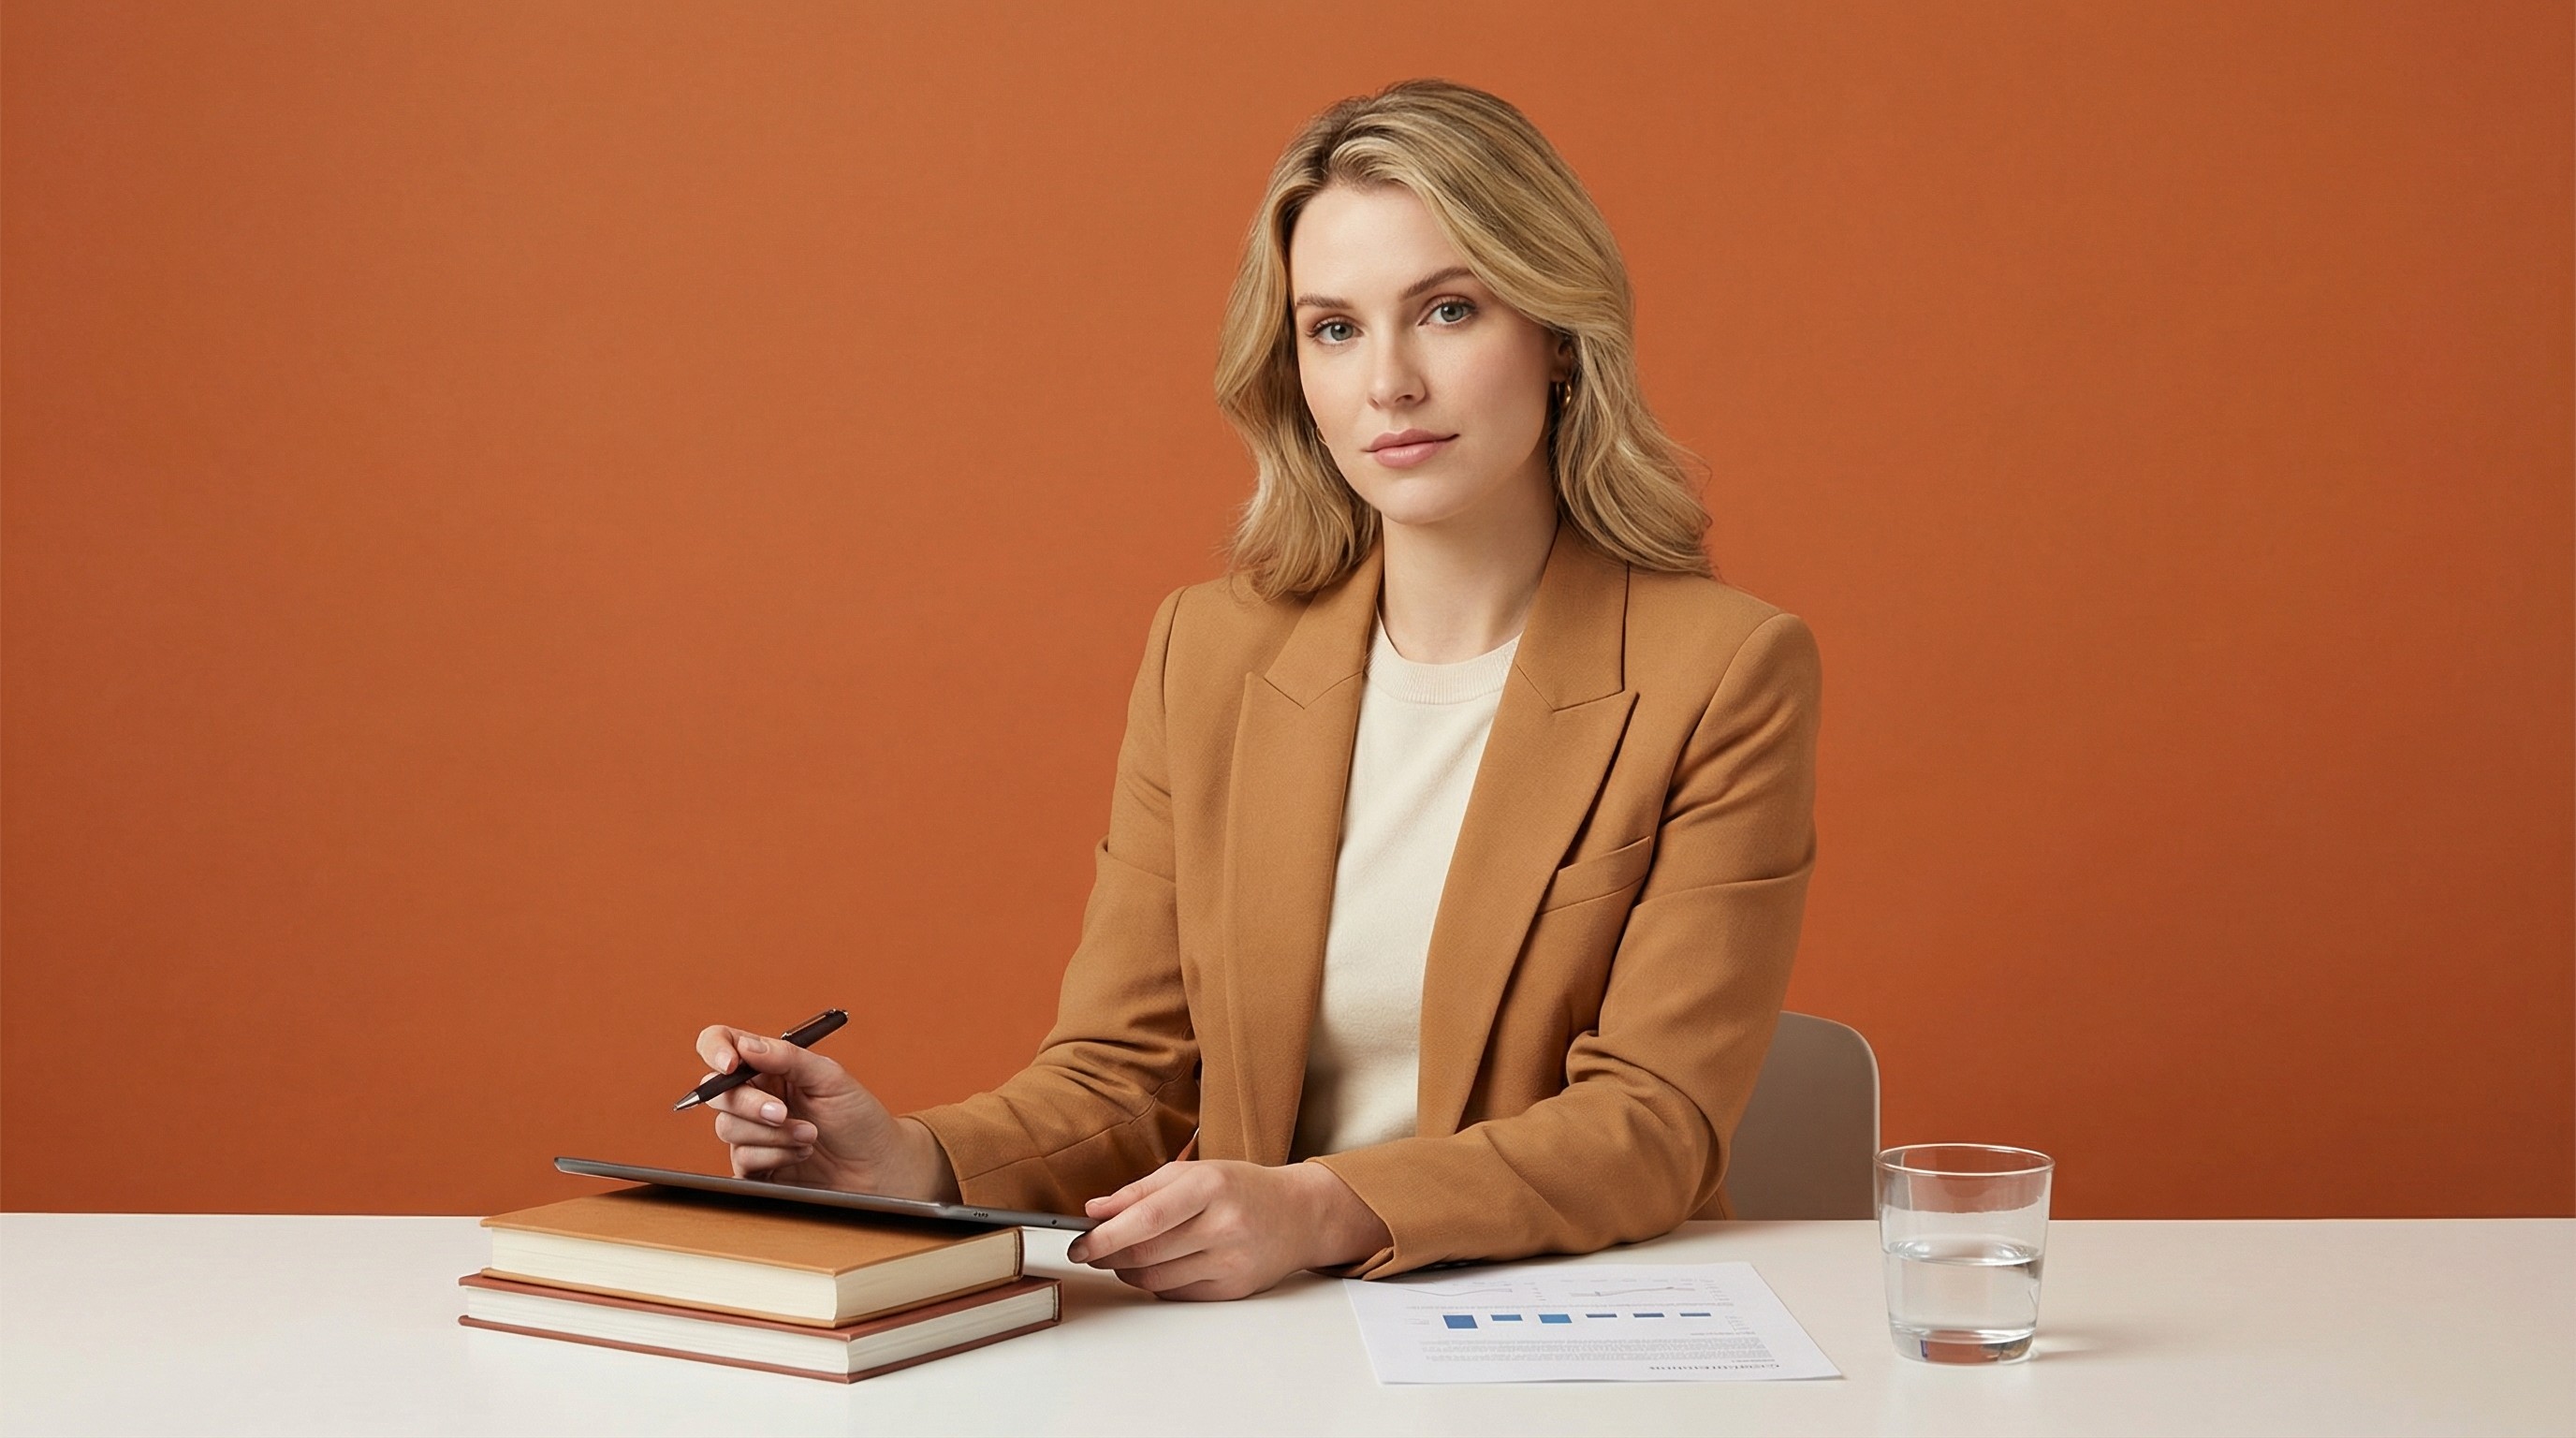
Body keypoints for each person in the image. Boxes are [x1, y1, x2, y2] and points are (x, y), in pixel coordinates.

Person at [689, 79, 1822, 1302]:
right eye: (1334, 327)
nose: (1388, 382)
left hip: (1565, 1324)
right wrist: (905, 1159)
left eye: (1446, 310)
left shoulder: (1722, 671)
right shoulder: (1208, 654)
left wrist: (1317, 1206)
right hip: (1262, 1342)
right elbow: (1125, 1077)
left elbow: (1650, 1123)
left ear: (1556, 334)